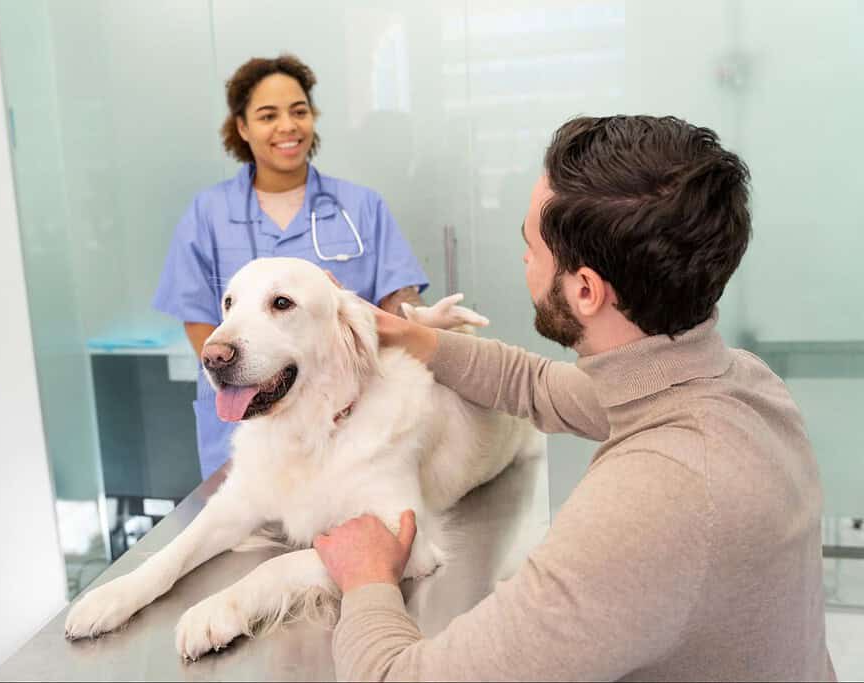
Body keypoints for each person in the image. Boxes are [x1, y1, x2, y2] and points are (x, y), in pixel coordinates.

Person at [313, 115, 835, 681]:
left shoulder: (653, 504)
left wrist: (367, 579)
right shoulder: (737, 381)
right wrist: (415, 338)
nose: (523, 262)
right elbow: (537, 387)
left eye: (530, 247)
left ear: (585, 290)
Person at [153, 55, 429, 479]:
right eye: (268, 115)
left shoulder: (360, 206)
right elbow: (199, 322)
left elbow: (400, 306)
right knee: (247, 535)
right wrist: (249, 385)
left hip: (351, 424)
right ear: (242, 127)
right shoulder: (208, 213)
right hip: (249, 422)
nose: (288, 126)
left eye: (299, 112)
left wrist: (420, 329)